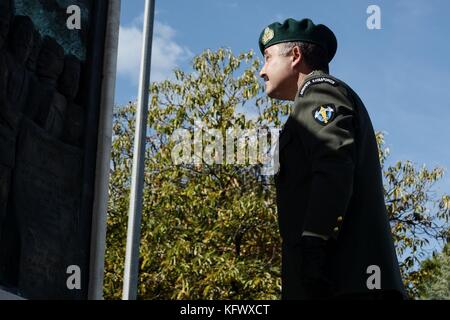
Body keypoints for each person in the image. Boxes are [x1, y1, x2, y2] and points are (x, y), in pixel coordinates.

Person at [258, 18, 406, 300]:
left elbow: (333, 167)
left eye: (267, 58)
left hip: (344, 281)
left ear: (295, 56)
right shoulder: (312, 98)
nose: (262, 71)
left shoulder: (319, 91)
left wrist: (314, 243)